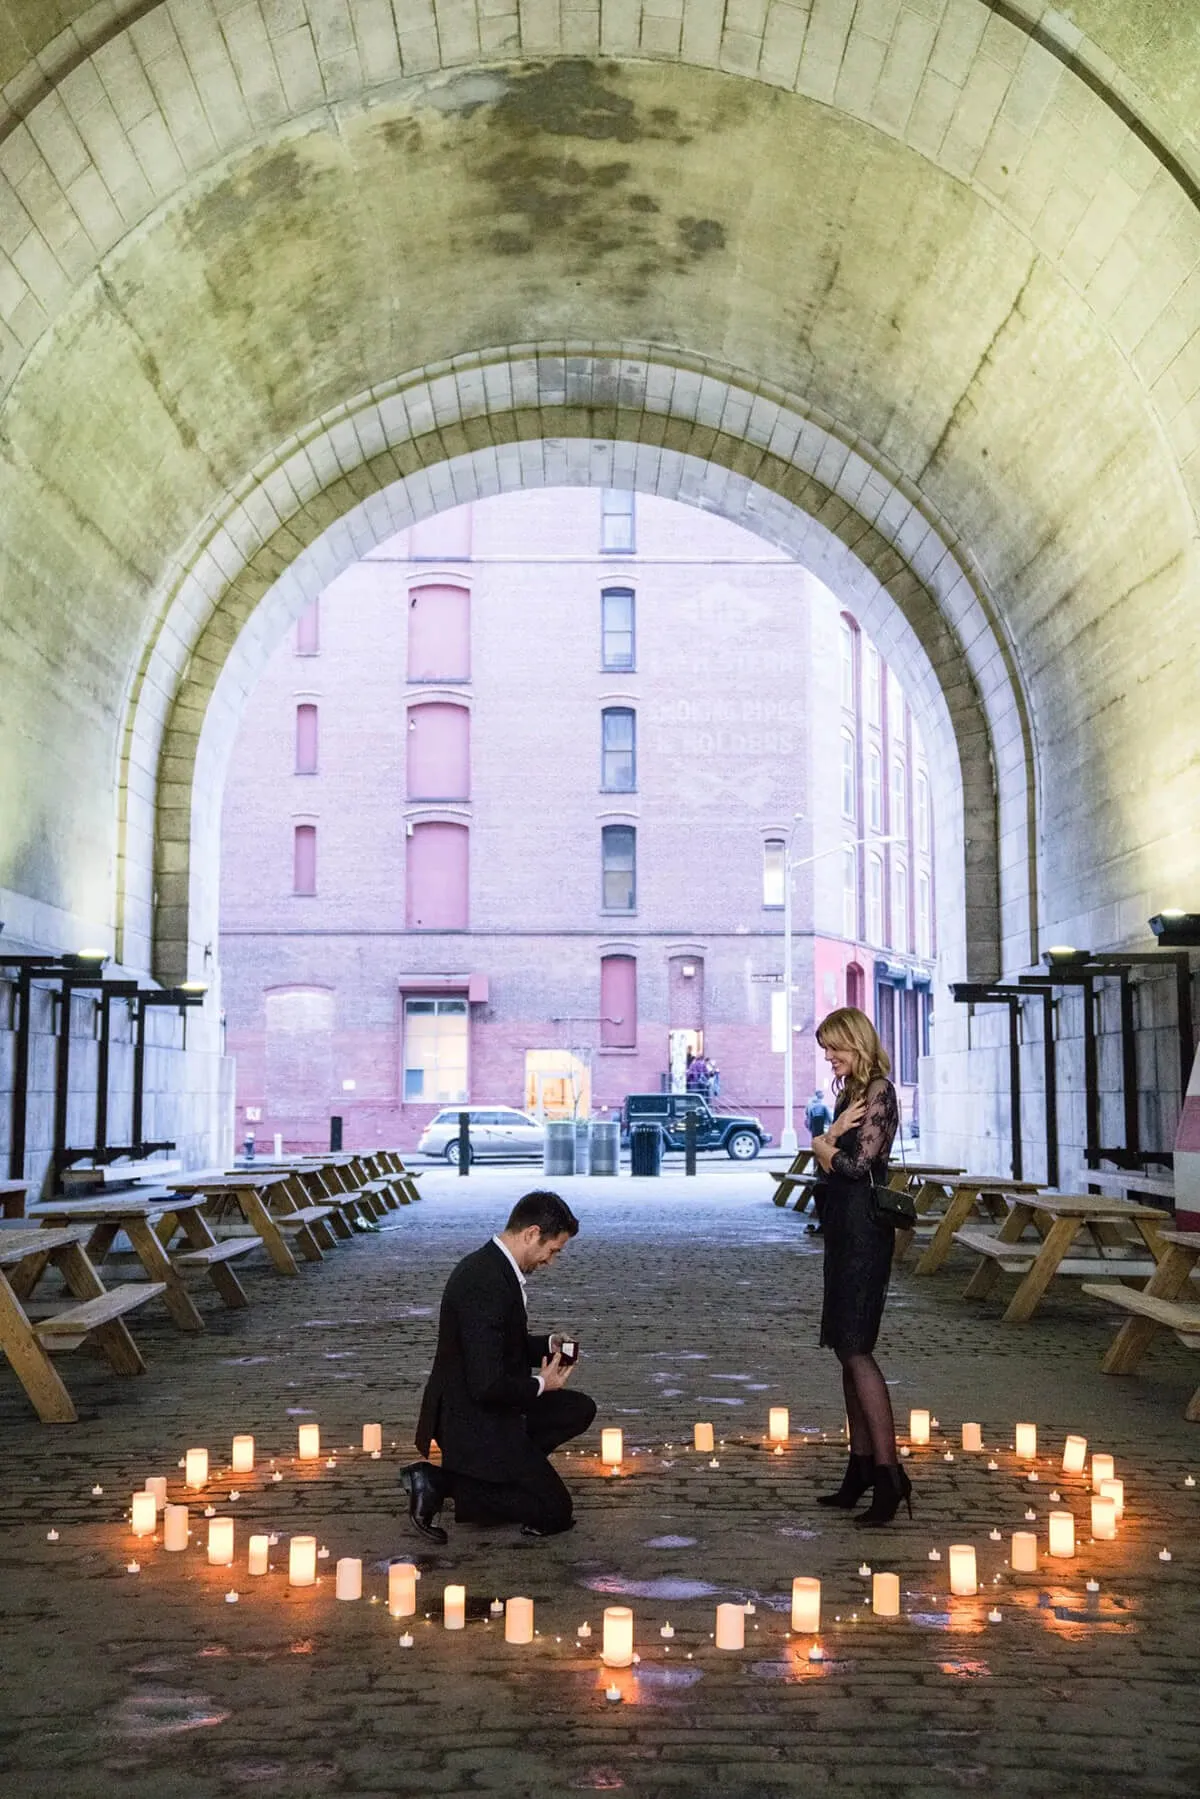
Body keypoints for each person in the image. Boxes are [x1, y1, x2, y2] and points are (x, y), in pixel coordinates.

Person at [401, 1190, 596, 1541]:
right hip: (474, 1419)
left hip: (495, 1409)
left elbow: (501, 1344)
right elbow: (486, 1384)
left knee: (578, 1408)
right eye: (552, 1251)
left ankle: (499, 1475)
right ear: (531, 1234)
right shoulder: (484, 1281)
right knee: (554, 1512)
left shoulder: (497, 1267)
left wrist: (546, 1344)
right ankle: (440, 1482)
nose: (550, 1262)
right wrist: (541, 1384)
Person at [808, 1006, 909, 1526]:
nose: (829, 1056)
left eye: (835, 1047)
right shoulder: (850, 1094)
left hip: (866, 1233)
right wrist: (825, 1142)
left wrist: (822, 1146)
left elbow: (855, 1165)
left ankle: (889, 1474)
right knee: (845, 1349)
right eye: (826, 1049)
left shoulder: (879, 1094)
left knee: (858, 1349)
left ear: (857, 1043)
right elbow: (832, 1153)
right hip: (843, 1231)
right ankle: (861, 1466)